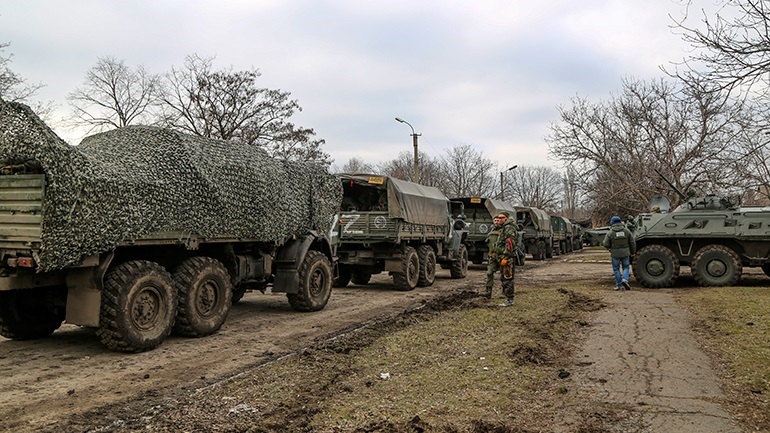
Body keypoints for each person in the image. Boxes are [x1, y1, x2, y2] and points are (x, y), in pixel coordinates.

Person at [483, 211, 517, 306]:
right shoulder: (503, 228)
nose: (500, 220)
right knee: (504, 277)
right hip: (500, 256)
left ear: (506, 218)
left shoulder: (509, 228)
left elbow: (510, 244)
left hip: (506, 257)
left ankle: (510, 300)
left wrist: (506, 257)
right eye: (498, 218)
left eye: (502, 218)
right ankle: (508, 298)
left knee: (507, 278)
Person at [602, 215, 636, 291]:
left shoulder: (610, 233)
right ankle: (625, 279)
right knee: (626, 267)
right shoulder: (626, 231)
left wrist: (610, 248)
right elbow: (632, 242)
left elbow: (605, 244)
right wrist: (633, 252)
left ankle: (619, 285)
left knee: (616, 269)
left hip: (615, 254)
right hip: (625, 253)